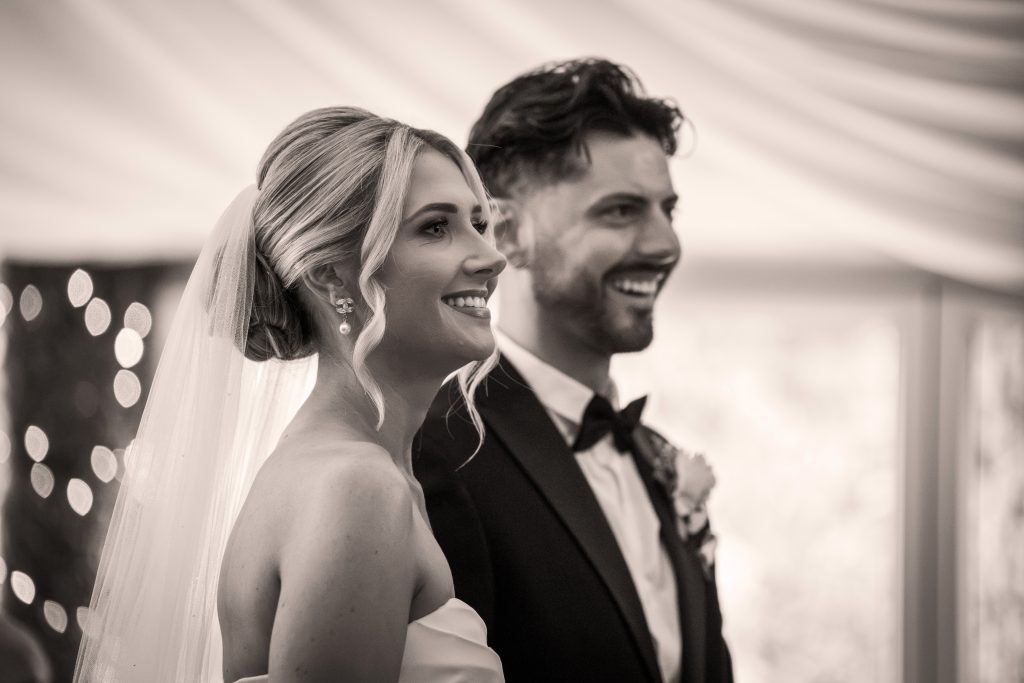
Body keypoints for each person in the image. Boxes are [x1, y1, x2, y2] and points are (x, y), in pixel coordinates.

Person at [74, 107, 506, 682]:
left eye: (479, 223)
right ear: (330, 275)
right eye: (436, 227)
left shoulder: (347, 471)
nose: (491, 257)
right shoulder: (358, 487)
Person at [414, 59, 734, 682]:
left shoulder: (656, 456)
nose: (666, 244)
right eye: (620, 211)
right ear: (506, 233)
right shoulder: (437, 450)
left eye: (668, 210)